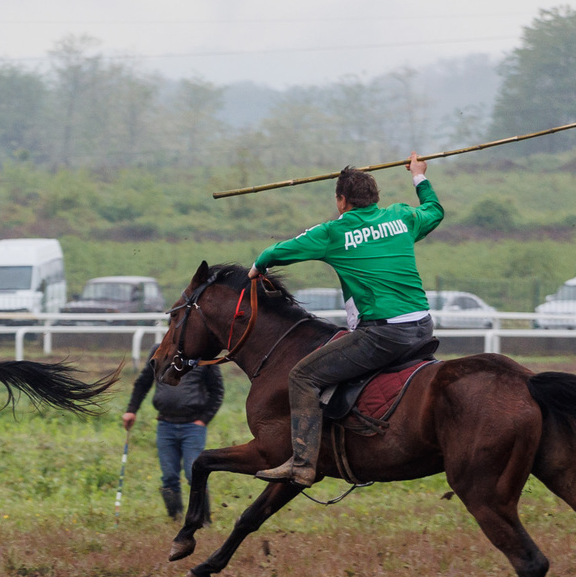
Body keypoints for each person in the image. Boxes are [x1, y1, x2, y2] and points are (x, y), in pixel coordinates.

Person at [250, 155, 444, 486]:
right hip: (423, 327)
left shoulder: (334, 232)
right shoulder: (402, 216)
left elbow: (279, 251)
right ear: (375, 197)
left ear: (342, 201)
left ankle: (303, 464)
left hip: (384, 336)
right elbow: (434, 210)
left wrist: (258, 267)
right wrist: (418, 176)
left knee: (302, 377)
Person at [120, 355, 224, 520]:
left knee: (194, 473)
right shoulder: (159, 353)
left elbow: (217, 391)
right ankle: (175, 517)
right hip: (165, 424)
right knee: (169, 476)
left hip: (193, 427)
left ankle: (202, 519)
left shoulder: (203, 354)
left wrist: (203, 420)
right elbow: (143, 383)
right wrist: (131, 410)